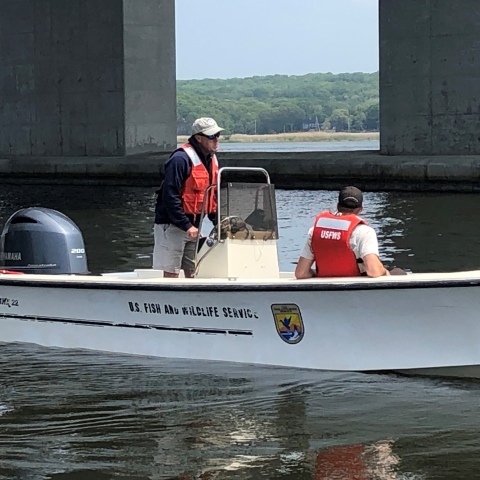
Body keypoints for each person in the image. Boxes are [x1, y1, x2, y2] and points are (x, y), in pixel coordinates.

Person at [153, 117, 224, 278]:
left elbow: (211, 197)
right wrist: (187, 226)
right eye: (212, 136)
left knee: (194, 271)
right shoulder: (180, 159)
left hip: (194, 227)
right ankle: (169, 301)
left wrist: (219, 223)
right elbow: (169, 196)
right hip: (172, 225)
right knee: (172, 272)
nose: (216, 140)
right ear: (198, 138)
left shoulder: (211, 159)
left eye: (218, 135)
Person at [295, 186, 392, 279]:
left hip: (324, 289)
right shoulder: (364, 232)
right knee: (398, 272)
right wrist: (385, 272)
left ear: (338, 206)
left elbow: (301, 273)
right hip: (356, 288)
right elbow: (374, 271)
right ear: (360, 209)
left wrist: (314, 273)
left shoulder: (314, 231)